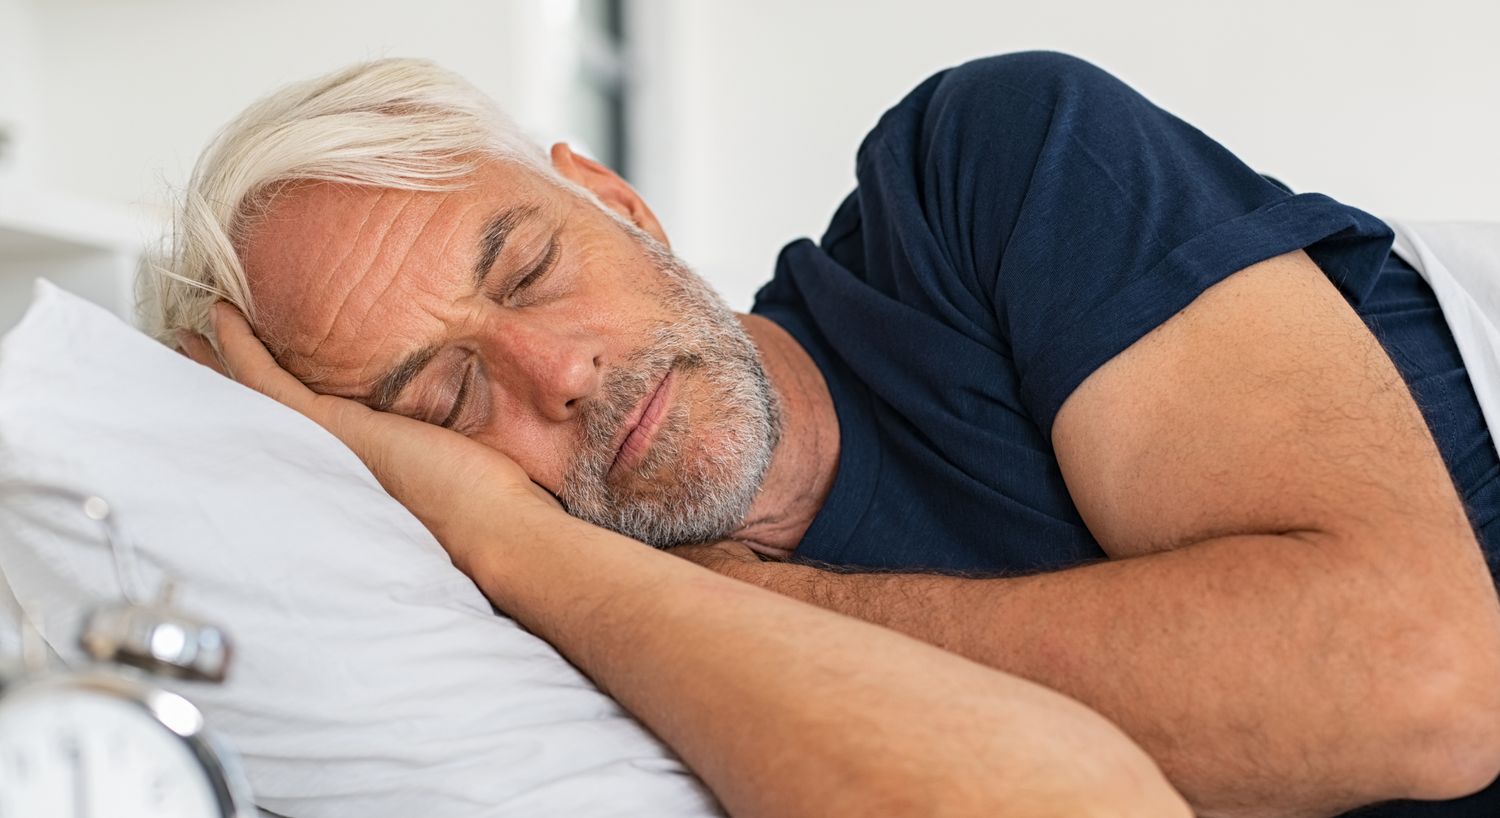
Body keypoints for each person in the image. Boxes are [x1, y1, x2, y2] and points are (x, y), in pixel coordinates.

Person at [157, 51, 1500, 817]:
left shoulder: (978, 176)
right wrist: (528, 555)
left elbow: (1422, 685)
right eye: (443, 400)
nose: (557, 370)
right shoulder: (570, 670)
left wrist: (754, 602)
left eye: (526, 270)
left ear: (616, 197)